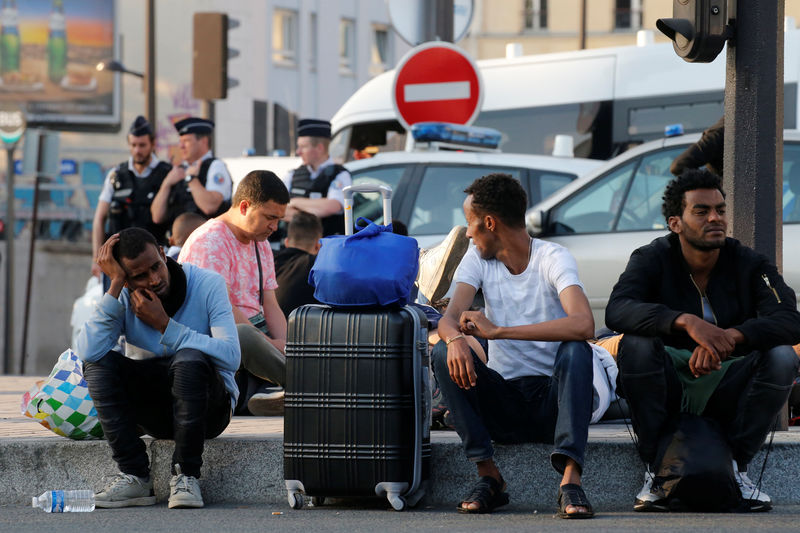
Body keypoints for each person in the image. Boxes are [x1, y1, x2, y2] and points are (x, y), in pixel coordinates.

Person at [605, 168, 800, 512]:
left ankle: (736, 469)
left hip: (728, 380)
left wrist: (730, 337)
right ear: (675, 223)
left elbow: (789, 319)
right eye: (701, 211)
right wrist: (685, 322)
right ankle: (657, 470)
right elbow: (618, 309)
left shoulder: (750, 263)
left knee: (783, 356)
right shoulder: (651, 258)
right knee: (634, 343)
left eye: (720, 210)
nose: (715, 218)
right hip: (669, 379)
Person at [432, 173, 596, 518]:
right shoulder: (477, 258)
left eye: (470, 223)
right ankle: (489, 477)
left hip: (554, 404)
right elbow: (448, 319)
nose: (467, 233)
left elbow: (584, 323)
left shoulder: (553, 257)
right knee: (441, 350)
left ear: (489, 223)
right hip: (504, 403)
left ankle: (571, 482)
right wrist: (456, 339)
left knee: (577, 349)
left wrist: (501, 331)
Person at [75, 228, 240, 509]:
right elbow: (89, 351)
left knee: (189, 359)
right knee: (99, 364)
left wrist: (166, 326)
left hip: (208, 409)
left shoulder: (208, 284)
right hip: (157, 413)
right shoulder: (124, 296)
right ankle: (135, 476)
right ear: (127, 280)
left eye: (156, 266)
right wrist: (113, 286)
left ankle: (186, 475)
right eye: (139, 276)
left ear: (164, 254)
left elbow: (231, 358)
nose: (153, 279)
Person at [179, 170, 289, 416]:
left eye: (279, 219)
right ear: (244, 206)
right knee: (245, 335)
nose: (275, 227)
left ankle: (287, 389)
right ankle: (306, 389)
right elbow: (222, 311)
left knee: (308, 332)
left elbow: (270, 303)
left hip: (256, 336)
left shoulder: (261, 242)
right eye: (270, 217)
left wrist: (286, 345)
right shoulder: (209, 242)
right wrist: (271, 345)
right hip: (220, 336)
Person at [91, 116, 171, 279]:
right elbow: (100, 218)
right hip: (117, 262)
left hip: (152, 262)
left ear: (153, 144)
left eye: (142, 145)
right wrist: (97, 257)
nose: (137, 150)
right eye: (133, 145)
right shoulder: (116, 175)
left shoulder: (166, 174)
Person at [151, 117, 233, 228]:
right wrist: (166, 184)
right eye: (180, 142)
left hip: (206, 242)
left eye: (186, 141)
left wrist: (191, 179)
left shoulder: (215, 167)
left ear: (203, 141)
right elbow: (157, 217)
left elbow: (210, 206)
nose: (181, 146)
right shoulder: (178, 170)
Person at [281, 119, 352, 237]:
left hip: (325, 249)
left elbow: (332, 207)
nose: (298, 152)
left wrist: (294, 202)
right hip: (293, 251)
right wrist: (315, 212)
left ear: (319, 148)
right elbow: (278, 209)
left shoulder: (341, 175)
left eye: (303, 147)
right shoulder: (292, 175)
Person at [274, 210, 323, 319]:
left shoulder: (269, 260)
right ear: (318, 246)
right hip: (301, 331)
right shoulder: (318, 267)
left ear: (287, 242)